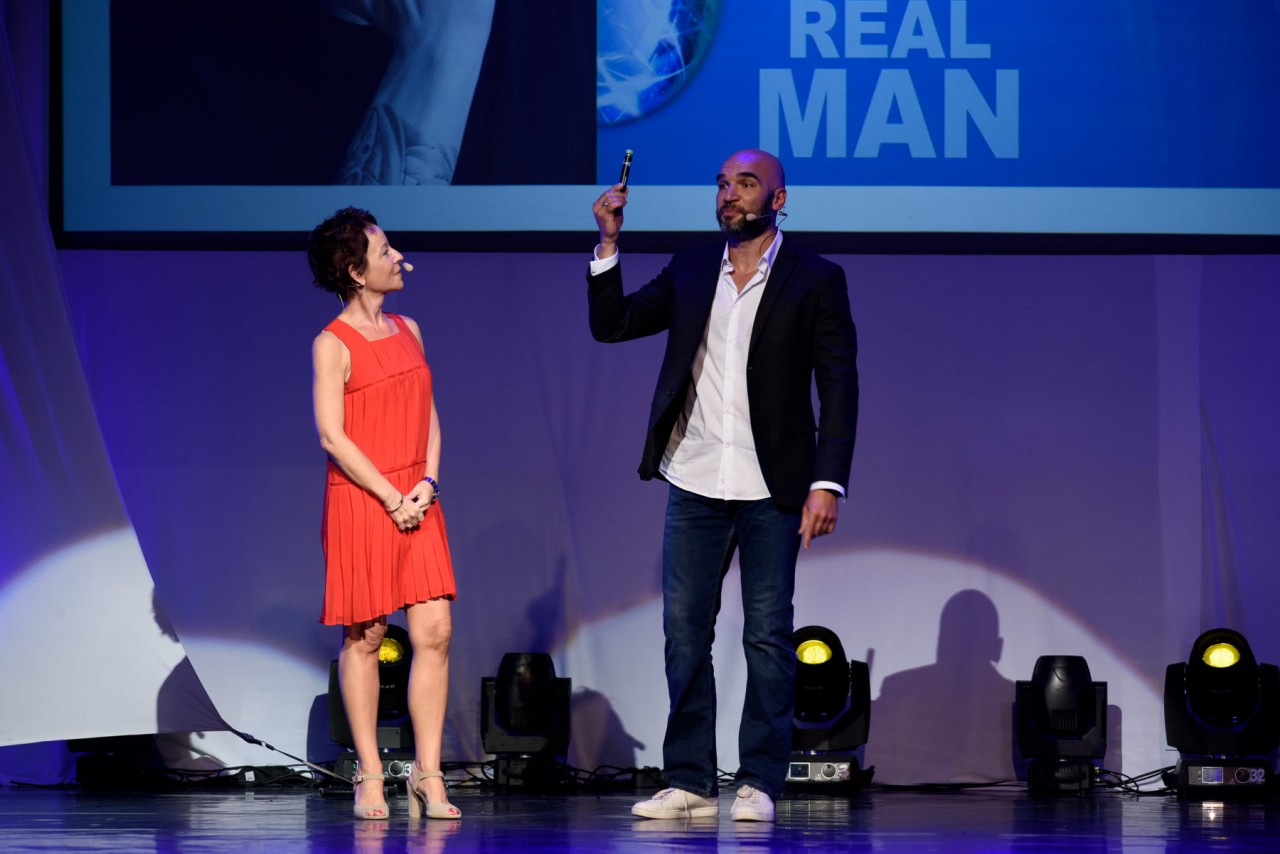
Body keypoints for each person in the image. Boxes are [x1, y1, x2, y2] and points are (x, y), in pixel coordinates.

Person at [588, 149, 859, 822]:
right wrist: (609, 244)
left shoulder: (815, 278)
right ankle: (691, 781)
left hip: (774, 484)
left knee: (767, 635)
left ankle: (760, 780)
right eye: (721, 184)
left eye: (745, 184)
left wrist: (827, 481)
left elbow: (839, 385)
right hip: (695, 476)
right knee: (684, 634)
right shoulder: (690, 267)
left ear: (778, 199)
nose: (729, 195)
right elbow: (613, 325)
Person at [309, 207, 460, 820]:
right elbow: (332, 436)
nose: (400, 259)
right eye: (385, 251)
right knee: (367, 636)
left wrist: (427, 482)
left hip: (417, 497)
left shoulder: (409, 328)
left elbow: (429, 415)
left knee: (436, 632)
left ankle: (428, 773)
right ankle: (370, 774)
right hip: (363, 500)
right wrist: (390, 498)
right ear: (355, 270)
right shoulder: (331, 343)